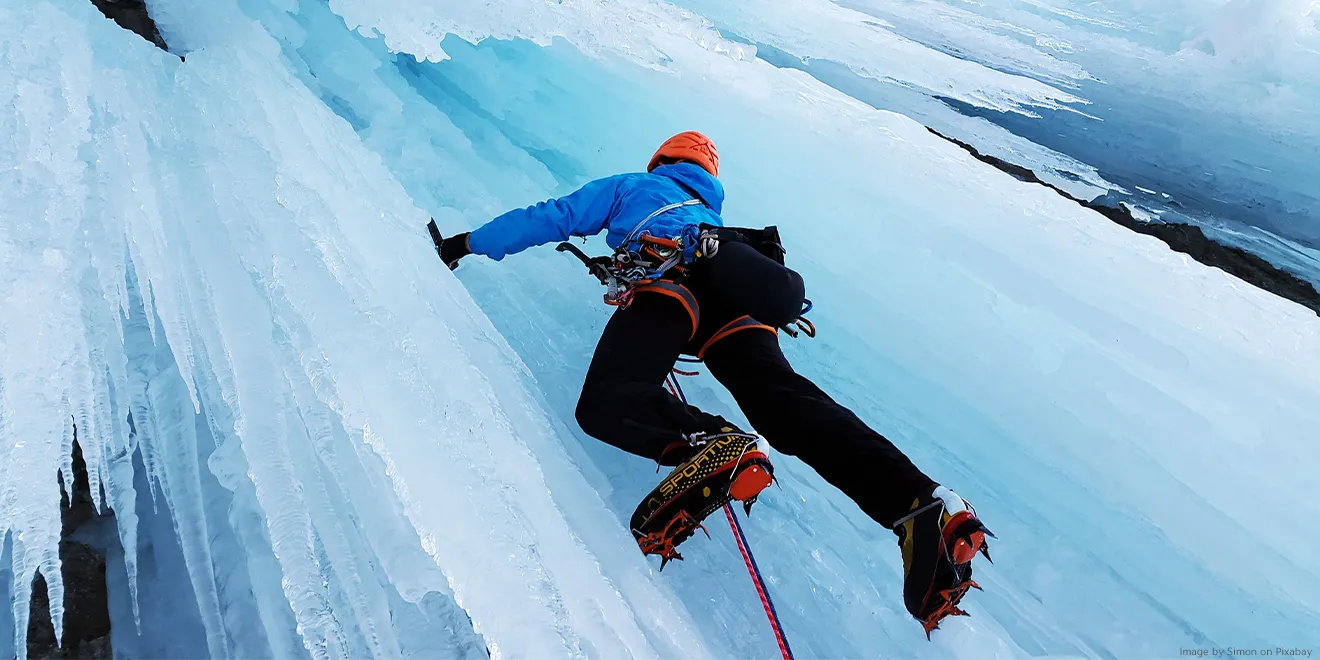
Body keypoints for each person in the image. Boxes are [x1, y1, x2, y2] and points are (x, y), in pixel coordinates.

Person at [433, 131, 992, 635]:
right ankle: (922, 503)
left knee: (608, 399)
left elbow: (551, 215)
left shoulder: (635, 187)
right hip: (741, 306)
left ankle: (713, 442)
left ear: (660, 162)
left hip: (671, 286)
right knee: (785, 402)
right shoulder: (715, 221)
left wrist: (463, 245)